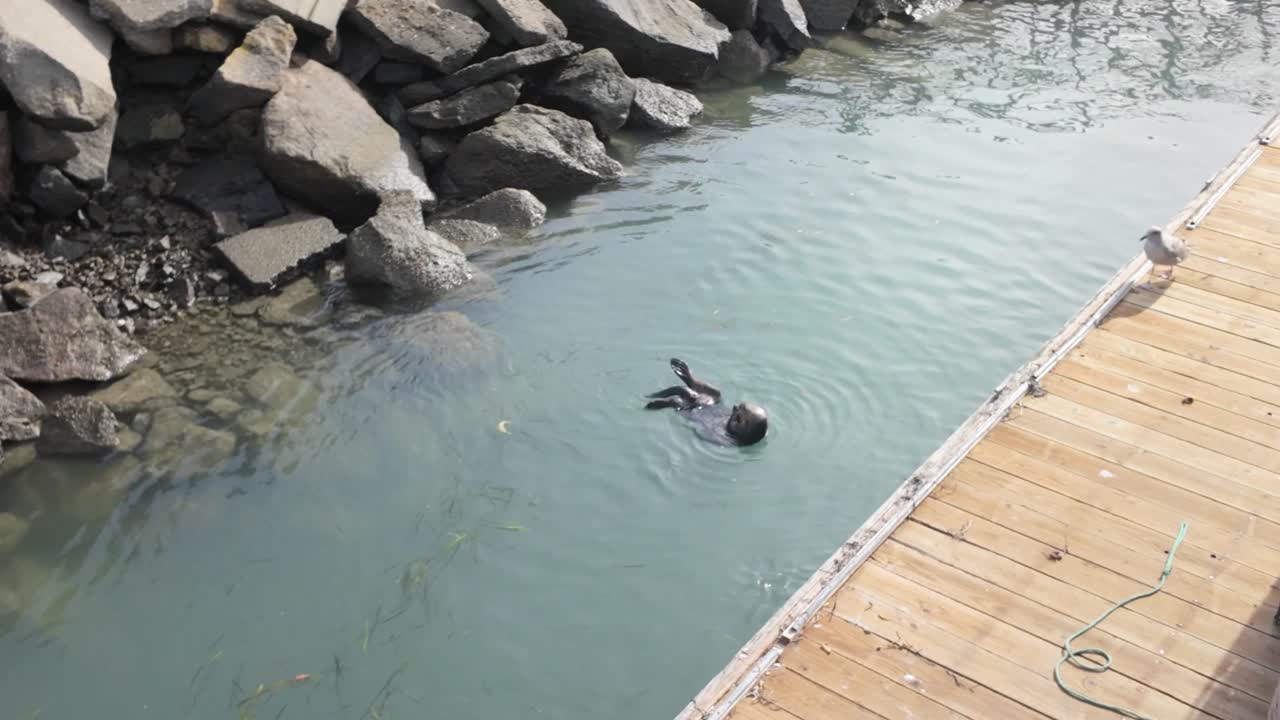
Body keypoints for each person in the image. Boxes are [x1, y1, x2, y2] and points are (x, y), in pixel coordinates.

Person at [644, 358, 768, 446]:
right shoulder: (735, 424)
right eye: (738, 407)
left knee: (681, 393)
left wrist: (696, 406)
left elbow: (704, 433)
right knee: (716, 393)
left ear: (743, 430)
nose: (734, 408)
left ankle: (659, 400)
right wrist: (705, 403)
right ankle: (692, 381)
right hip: (711, 409)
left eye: (738, 416)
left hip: (695, 414)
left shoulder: (725, 439)